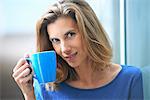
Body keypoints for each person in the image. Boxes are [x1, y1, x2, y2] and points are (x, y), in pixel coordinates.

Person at [12, 0, 143, 100]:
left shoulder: (130, 79)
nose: (64, 49)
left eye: (70, 35)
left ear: (90, 33)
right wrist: (28, 94)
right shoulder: (46, 88)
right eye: (55, 40)